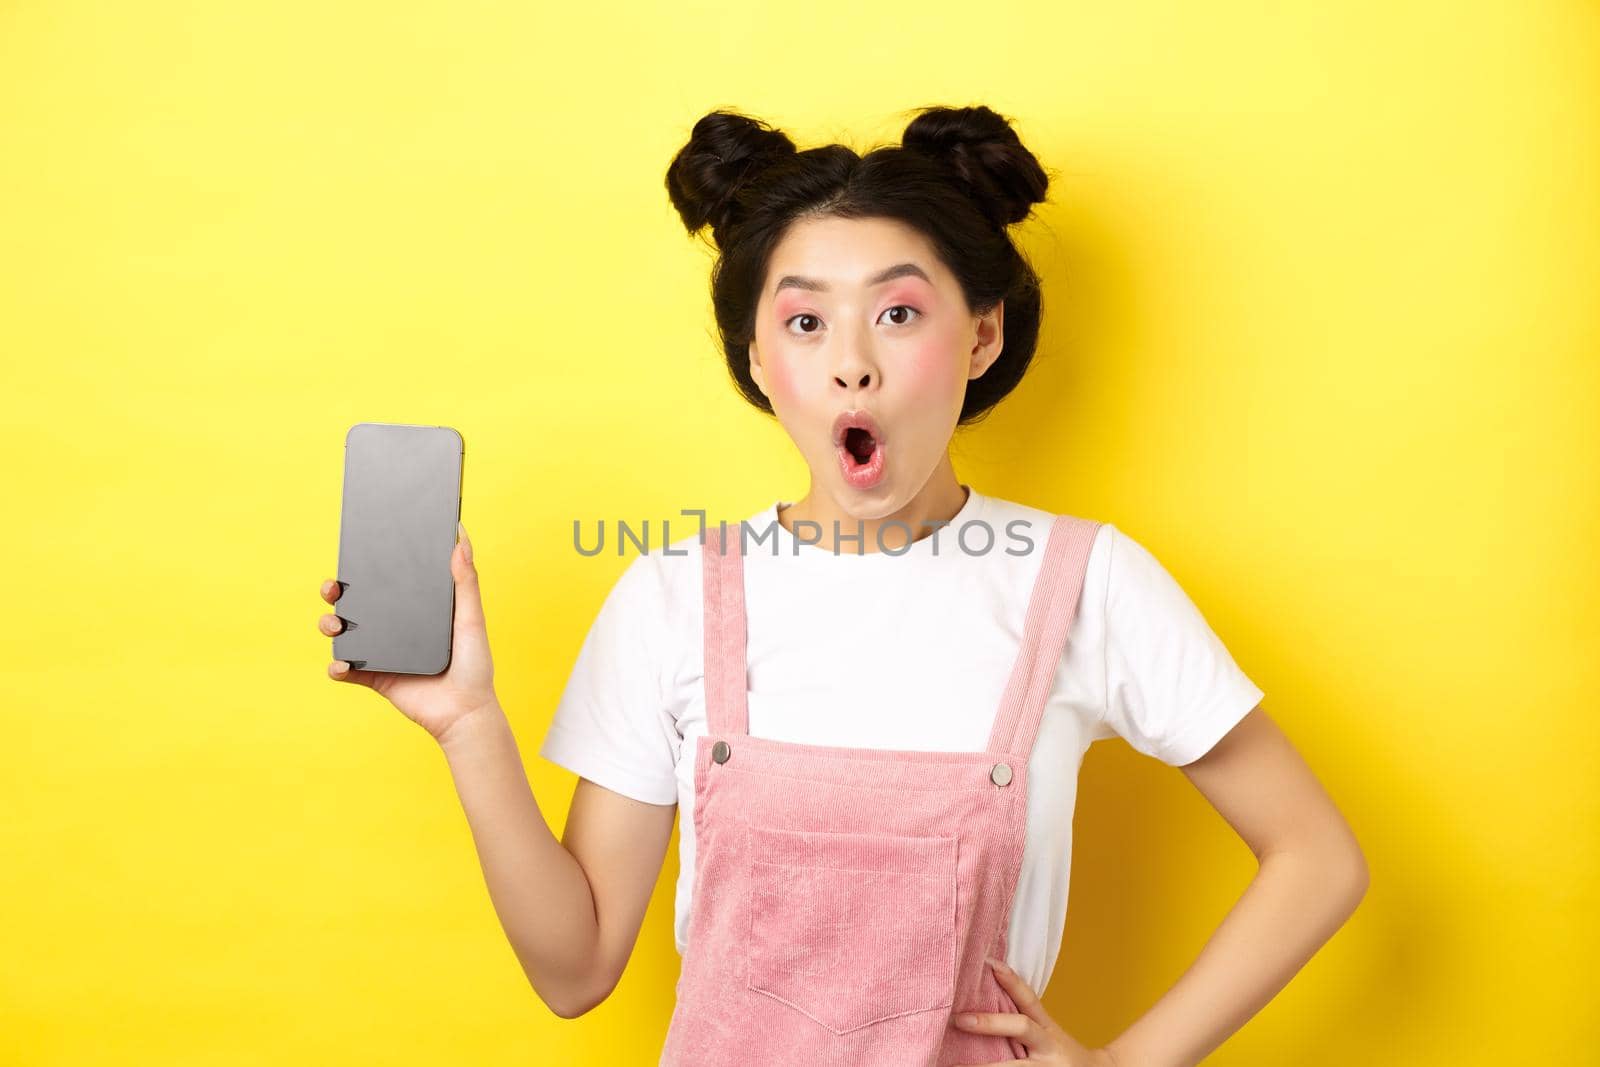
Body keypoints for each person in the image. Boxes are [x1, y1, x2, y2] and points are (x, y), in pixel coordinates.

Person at [316, 105, 1368, 1066]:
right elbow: (575, 968)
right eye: (806, 322)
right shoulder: (673, 593)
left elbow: (1317, 856)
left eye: (899, 315)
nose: (851, 364)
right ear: (758, 358)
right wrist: (467, 723)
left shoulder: (1086, 581)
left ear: (983, 334)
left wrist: (1123, 1064)